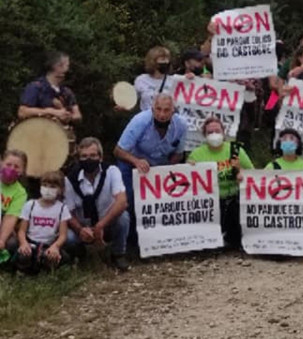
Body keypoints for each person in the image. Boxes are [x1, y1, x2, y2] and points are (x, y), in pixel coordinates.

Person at [114, 93, 188, 238]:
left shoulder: (182, 125)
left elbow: (179, 154)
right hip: (131, 163)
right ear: (152, 109)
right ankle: (129, 241)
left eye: (166, 110)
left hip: (159, 167)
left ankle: (157, 238)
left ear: (173, 110)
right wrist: (136, 161)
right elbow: (118, 151)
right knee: (129, 200)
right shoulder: (140, 121)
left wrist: (166, 171)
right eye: (158, 109)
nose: (162, 114)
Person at [64, 138, 130, 271]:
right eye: (84, 156)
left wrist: (101, 225)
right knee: (69, 237)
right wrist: (80, 229)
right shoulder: (70, 179)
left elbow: (122, 201)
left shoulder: (111, 171)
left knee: (124, 217)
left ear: (100, 157)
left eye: (93, 155)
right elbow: (67, 211)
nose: (88, 159)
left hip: (106, 223)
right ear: (79, 159)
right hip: (83, 227)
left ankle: (118, 254)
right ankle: (81, 257)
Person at [188, 117, 254, 248]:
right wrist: (189, 168)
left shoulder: (236, 150)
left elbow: (253, 173)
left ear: (224, 133)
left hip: (234, 199)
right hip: (211, 202)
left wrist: (241, 172)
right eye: (210, 132)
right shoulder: (197, 155)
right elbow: (188, 182)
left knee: (236, 239)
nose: (214, 135)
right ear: (204, 136)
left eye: (217, 131)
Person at [16, 171, 71, 273]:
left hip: (49, 244)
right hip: (31, 242)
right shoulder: (30, 205)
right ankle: (24, 271)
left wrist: (56, 246)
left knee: (60, 258)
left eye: (52, 186)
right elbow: (22, 230)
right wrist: (23, 243)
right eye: (45, 185)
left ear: (60, 190)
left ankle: (46, 268)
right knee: (23, 256)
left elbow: (63, 235)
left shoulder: (62, 208)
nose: (48, 189)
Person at [18, 51, 82, 124]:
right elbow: (22, 112)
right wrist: (51, 112)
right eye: (67, 65)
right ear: (57, 66)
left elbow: (77, 115)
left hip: (59, 132)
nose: (68, 69)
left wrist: (68, 116)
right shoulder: (35, 87)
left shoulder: (66, 92)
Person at [0, 150, 29, 259]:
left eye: (16, 167)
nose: (11, 169)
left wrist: (2, 240)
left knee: (12, 243)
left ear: (22, 170)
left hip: (4, 223)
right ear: (1, 163)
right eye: (8, 164)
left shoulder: (20, 192)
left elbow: (11, 217)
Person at [134, 46, 174, 111]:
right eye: (162, 59)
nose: (166, 62)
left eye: (167, 59)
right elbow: (132, 100)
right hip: (146, 119)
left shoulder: (174, 80)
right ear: (153, 61)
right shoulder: (141, 80)